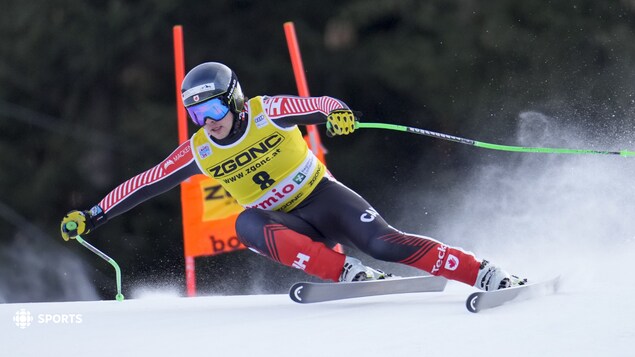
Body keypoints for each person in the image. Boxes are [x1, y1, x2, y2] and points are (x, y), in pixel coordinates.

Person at [61, 62, 525, 291]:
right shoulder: (199, 150)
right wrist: (93, 214)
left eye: (214, 106)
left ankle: (485, 273)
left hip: (324, 198)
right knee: (245, 223)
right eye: (196, 111)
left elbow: (319, 106)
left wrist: (338, 114)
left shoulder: (267, 112)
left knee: (385, 244)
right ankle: (347, 275)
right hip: (287, 222)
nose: (209, 120)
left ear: (235, 99)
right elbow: (144, 182)